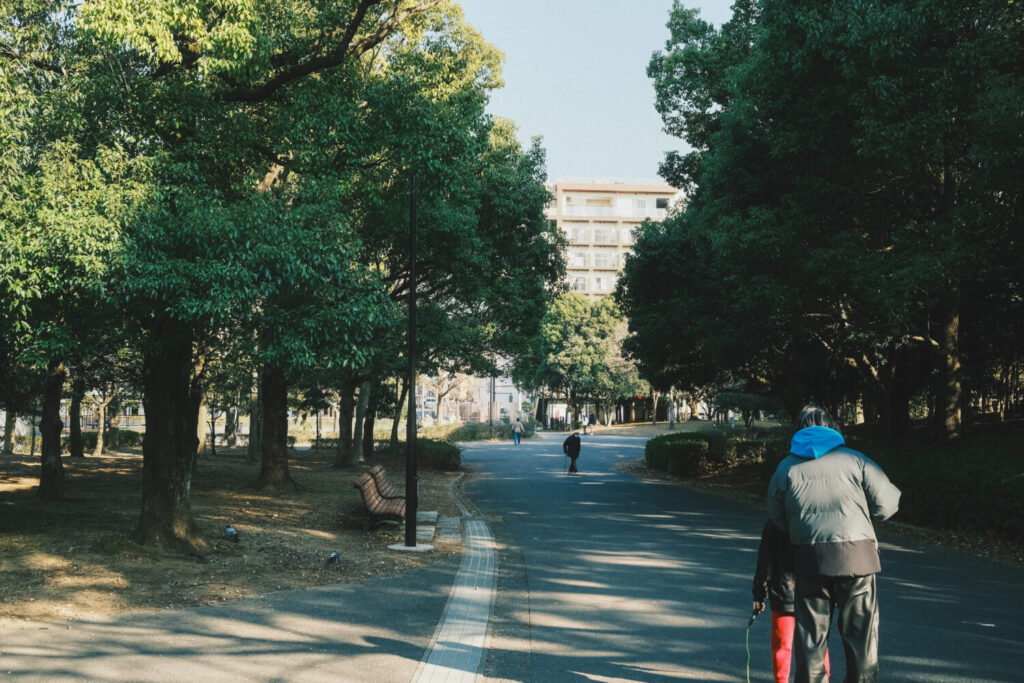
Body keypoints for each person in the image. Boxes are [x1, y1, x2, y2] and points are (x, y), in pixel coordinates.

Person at [767, 405, 901, 683]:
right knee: (861, 642)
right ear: (833, 427)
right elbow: (888, 504)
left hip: (809, 560)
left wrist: (802, 530)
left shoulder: (786, 468)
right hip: (858, 559)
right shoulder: (855, 460)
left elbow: (777, 517)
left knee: (811, 643)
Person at [753, 519, 830, 683]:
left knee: (782, 645)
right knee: (817, 644)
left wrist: (759, 593)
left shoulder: (776, 520)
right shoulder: (815, 517)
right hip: (814, 591)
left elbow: (765, 560)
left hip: (785, 591)